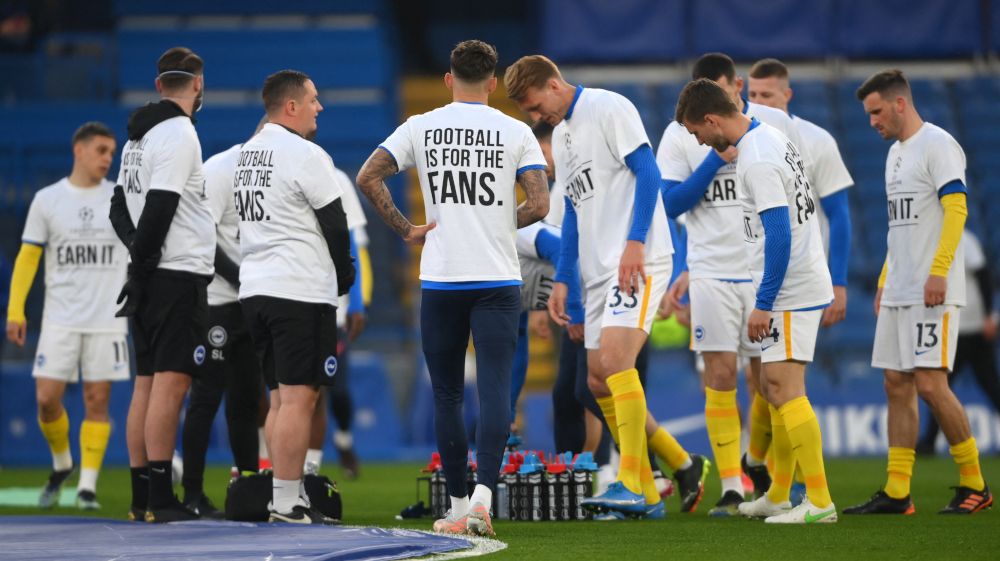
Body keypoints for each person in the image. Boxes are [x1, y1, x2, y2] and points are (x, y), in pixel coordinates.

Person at [357, 40, 549, 536]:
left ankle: (459, 505)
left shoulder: (421, 125)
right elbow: (541, 204)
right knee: (495, 392)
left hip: (441, 279)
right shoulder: (516, 130)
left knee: (447, 395)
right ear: (492, 82)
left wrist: (406, 229)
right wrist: (504, 223)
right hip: (498, 280)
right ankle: (485, 497)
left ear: (448, 79)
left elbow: (368, 175)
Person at [506, 54, 705, 519]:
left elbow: (649, 172)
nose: (537, 118)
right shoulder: (563, 134)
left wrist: (636, 241)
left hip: (636, 258)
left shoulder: (609, 107)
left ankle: (633, 482)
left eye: (536, 107)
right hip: (597, 270)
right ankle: (664, 479)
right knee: (595, 381)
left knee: (615, 363)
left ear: (554, 85)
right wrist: (564, 280)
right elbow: (573, 212)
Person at [661, 53, 818, 515]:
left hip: (764, 269)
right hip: (711, 269)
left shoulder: (767, 130)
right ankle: (734, 484)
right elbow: (670, 204)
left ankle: (764, 469)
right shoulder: (680, 135)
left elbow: (792, 203)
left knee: (771, 382)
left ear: (736, 88)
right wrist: (713, 160)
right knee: (722, 376)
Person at [845, 70, 992, 515]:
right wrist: (888, 276)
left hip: (932, 288)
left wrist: (940, 272)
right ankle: (897, 491)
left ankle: (975, 484)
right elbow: (898, 227)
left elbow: (957, 208)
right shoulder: (895, 154)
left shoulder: (939, 144)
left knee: (930, 384)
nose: (872, 121)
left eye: (876, 111)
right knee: (896, 383)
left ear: (900, 103)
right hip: (900, 286)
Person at [238, 70, 354, 524]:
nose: (318, 107)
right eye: (312, 99)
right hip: (299, 291)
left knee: (281, 399)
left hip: (257, 288)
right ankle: (287, 503)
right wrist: (344, 274)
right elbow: (334, 220)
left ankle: (281, 495)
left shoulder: (247, 153)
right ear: (291, 107)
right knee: (301, 397)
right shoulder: (305, 154)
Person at [109, 47, 216, 523]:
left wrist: (136, 260)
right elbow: (161, 207)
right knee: (169, 388)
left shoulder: (137, 140)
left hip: (152, 275)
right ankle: (160, 499)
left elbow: (119, 207)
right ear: (197, 84)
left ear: (158, 85)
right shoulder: (179, 134)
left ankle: (140, 498)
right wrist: (143, 264)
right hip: (174, 276)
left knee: (145, 385)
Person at [747, 57, 854, 506]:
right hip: (776, 273)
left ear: (786, 95)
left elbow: (840, 216)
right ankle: (776, 489)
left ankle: (814, 498)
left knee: (785, 385)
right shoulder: (759, 141)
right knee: (770, 384)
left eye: (766, 96)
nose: (758, 103)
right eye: (751, 95)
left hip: (794, 276)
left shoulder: (811, 140)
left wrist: (841, 281)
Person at [6, 122, 125, 511]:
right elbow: (28, 256)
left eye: (112, 152)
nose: (108, 158)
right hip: (60, 318)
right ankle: (63, 464)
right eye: (101, 150)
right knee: (46, 399)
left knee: (97, 399)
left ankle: (87, 487)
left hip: (107, 318)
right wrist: (15, 308)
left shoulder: (121, 198)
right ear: (79, 150)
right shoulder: (48, 199)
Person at [178, 118, 266, 519]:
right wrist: (241, 277)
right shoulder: (220, 169)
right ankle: (192, 494)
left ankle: (246, 488)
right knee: (206, 399)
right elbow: (200, 235)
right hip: (217, 302)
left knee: (247, 402)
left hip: (252, 302)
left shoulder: (276, 171)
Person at [306, 163, 368, 479]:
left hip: (333, 306)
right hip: (291, 301)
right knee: (297, 392)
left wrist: (357, 304)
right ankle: (293, 472)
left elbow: (352, 244)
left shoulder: (336, 177)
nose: (317, 109)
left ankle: (343, 440)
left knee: (335, 390)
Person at [916, 229, 1000, 454]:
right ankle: (930, 441)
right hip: (955, 327)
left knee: (944, 386)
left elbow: (983, 274)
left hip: (972, 328)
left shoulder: (964, 239)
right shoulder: (941, 238)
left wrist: (989, 315)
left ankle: (929, 441)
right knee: (940, 386)